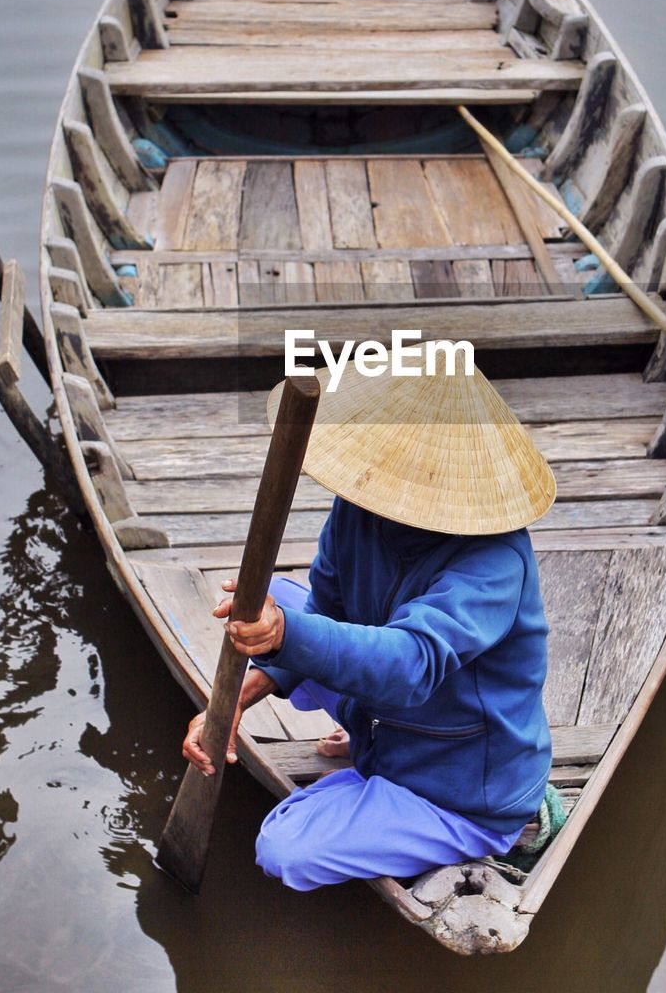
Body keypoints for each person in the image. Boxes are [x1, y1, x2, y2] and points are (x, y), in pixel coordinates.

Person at [182, 347, 557, 891]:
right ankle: (367, 741)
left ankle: (381, 784)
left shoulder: (495, 561)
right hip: (388, 708)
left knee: (284, 849)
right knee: (290, 602)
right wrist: (231, 703)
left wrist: (283, 633)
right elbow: (325, 608)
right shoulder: (358, 513)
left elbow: (411, 665)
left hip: (462, 787)